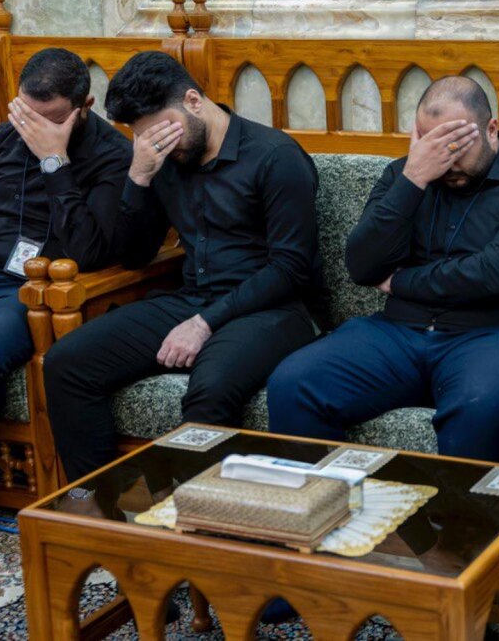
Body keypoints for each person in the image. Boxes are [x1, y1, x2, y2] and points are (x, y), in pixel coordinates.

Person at [267, 76, 499, 463]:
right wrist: (414, 178)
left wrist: (401, 282)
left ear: (491, 129)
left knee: (479, 408)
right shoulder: (406, 174)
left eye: (457, 144)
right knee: (293, 383)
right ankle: (328, 500)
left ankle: (459, 508)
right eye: (433, 144)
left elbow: (494, 273)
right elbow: (362, 266)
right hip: (400, 332)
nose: (446, 159)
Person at [43, 51, 320, 481]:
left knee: (209, 392)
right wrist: (138, 179)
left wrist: (204, 324)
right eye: (142, 136)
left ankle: (198, 518)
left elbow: (291, 268)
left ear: (193, 101)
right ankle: (100, 503)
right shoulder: (164, 160)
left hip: (273, 308)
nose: (157, 143)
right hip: (192, 299)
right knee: (66, 363)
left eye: (160, 130)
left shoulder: (275, 156)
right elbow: (135, 256)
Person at [0, 48, 130, 533]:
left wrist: (54, 161)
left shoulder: (112, 156)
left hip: (35, 296)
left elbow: (91, 251)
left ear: (85, 106)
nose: (33, 128)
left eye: (51, 119)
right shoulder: (1, 138)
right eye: (25, 114)